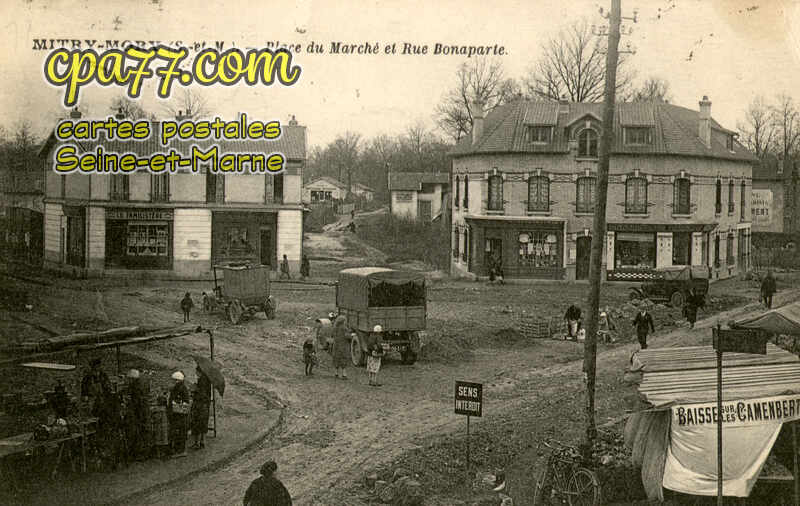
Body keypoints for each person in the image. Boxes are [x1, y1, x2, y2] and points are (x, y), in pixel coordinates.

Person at [124, 369, 151, 461]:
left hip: (140, 412)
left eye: (129, 379)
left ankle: (141, 453)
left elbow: (135, 400)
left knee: (140, 432)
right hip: (143, 410)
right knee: (143, 432)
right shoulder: (141, 384)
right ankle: (144, 453)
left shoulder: (135, 386)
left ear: (132, 379)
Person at [167, 371, 191, 458]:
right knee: (179, 433)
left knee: (180, 433)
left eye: (174, 380)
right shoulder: (179, 388)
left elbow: (184, 402)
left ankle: (180, 450)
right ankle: (178, 449)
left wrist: (174, 403)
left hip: (179, 415)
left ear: (177, 380)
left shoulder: (180, 389)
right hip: (179, 415)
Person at [190, 366, 212, 450]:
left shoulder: (201, 381)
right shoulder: (207, 380)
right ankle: (202, 441)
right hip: (205, 405)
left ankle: (197, 443)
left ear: (200, 372)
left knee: (197, 424)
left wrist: (195, 389)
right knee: (203, 424)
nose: (196, 373)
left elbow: (201, 393)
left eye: (196, 372)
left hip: (200, 405)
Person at [331, 315, 351, 379]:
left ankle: (336, 374)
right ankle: (344, 375)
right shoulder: (344, 328)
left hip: (336, 345)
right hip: (343, 346)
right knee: (343, 359)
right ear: (343, 321)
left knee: (336, 358)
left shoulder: (335, 327)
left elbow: (332, 335)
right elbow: (347, 336)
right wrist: (351, 336)